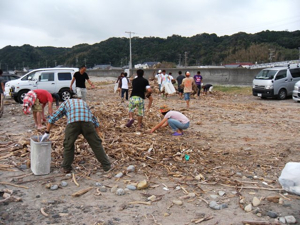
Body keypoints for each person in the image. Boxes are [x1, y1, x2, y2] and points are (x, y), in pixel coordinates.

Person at [42, 98, 111, 173]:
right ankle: (106, 166)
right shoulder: (83, 103)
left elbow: (53, 117)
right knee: (96, 144)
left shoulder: (65, 103)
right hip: (87, 123)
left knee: (68, 144)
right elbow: (93, 119)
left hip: (73, 123)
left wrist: (47, 132)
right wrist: (97, 134)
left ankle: (66, 167)